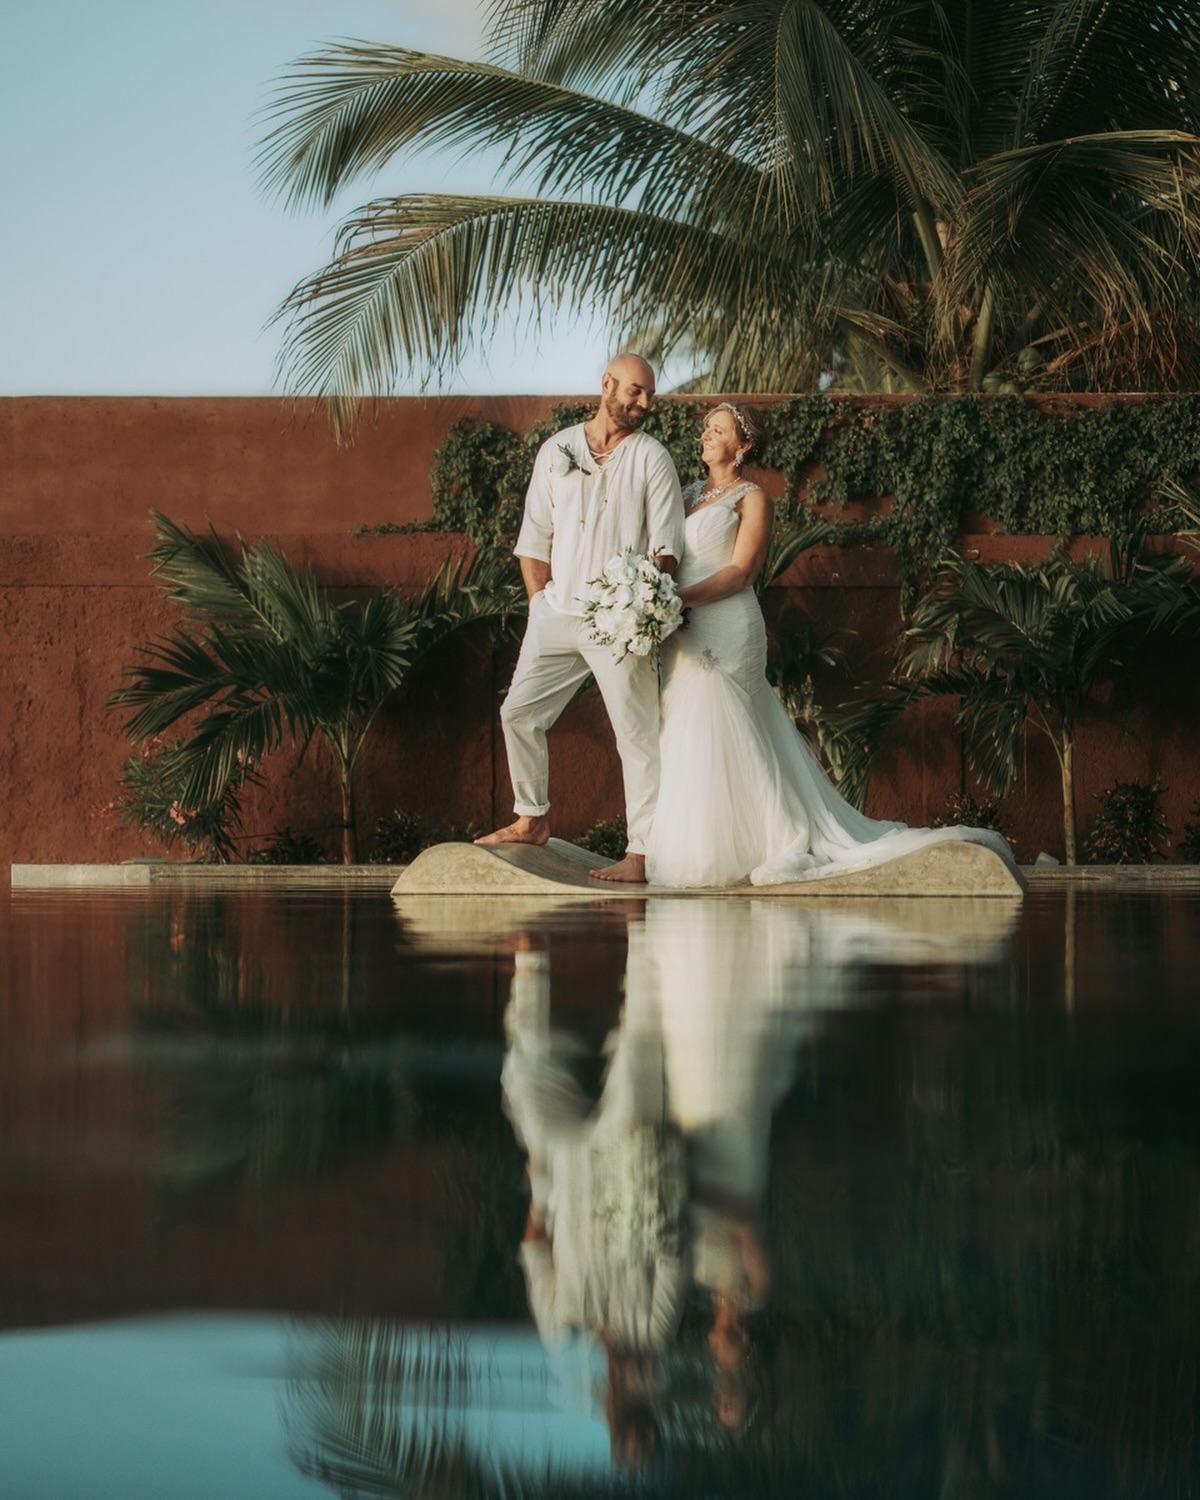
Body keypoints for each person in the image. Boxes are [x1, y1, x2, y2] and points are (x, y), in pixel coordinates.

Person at [645, 403, 1017, 888]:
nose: (707, 435)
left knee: (722, 721)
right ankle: (711, 844)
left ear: (744, 446)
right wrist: (651, 594)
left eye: (719, 429)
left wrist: (677, 598)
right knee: (686, 727)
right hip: (679, 627)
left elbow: (741, 573)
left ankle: (774, 838)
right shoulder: (685, 493)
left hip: (724, 623)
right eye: (707, 428)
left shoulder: (752, 498)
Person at [477, 354, 685, 883]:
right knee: (517, 714)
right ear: (607, 384)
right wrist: (539, 603)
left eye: (649, 396)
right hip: (556, 614)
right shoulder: (557, 450)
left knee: (635, 736)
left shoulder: (652, 457)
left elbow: (667, 551)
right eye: (635, 392)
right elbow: (533, 540)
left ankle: (641, 852)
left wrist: (636, 606)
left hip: (620, 622)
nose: (643, 404)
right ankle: (532, 818)